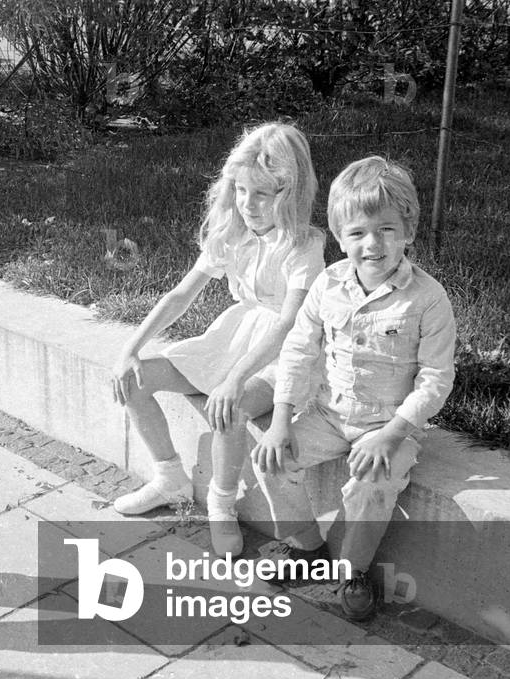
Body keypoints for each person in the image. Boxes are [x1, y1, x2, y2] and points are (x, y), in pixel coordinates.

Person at [250, 156, 456, 621]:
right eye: (358, 233)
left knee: (374, 485)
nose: (372, 243)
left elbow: (436, 377)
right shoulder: (328, 284)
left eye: (386, 229)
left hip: (388, 423)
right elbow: (300, 350)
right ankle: (306, 547)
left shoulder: (428, 299)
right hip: (329, 413)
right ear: (341, 239)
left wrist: (394, 433)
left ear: (409, 232)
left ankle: (351, 571)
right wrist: (281, 419)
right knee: (269, 458)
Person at [111, 123, 326, 557]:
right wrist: (130, 348)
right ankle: (169, 475)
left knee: (230, 409)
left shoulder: (305, 245)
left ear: (291, 192)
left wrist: (235, 378)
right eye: (242, 190)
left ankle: (221, 504)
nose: (249, 204)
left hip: (282, 354)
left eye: (263, 194)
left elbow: (289, 323)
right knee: (133, 380)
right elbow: (181, 294)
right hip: (233, 336)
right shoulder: (232, 231)